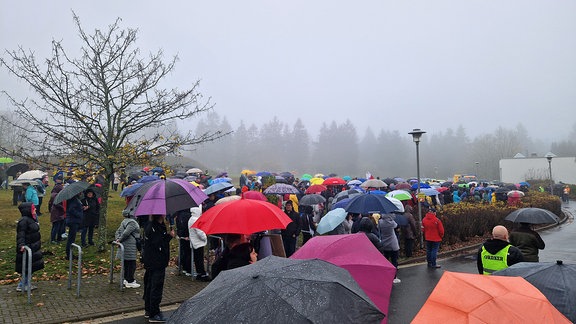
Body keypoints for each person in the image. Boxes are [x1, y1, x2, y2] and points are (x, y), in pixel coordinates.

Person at [142, 214, 174, 322]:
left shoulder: (158, 226)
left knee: (150, 284)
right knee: (155, 286)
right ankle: (154, 312)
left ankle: (149, 309)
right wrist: (169, 236)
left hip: (154, 261)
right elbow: (158, 243)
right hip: (156, 262)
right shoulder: (153, 227)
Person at [15, 202, 44, 292]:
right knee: (27, 268)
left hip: (33, 247)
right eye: (33, 208)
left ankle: (26, 283)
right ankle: (22, 285)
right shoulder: (24, 221)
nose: (35, 209)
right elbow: (21, 234)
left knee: (30, 267)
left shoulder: (32, 219)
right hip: (28, 247)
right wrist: (21, 245)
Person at [115, 210, 141, 288]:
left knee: (126, 263)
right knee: (131, 263)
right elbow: (126, 233)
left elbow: (117, 232)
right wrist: (119, 240)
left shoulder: (124, 221)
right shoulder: (132, 222)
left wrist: (118, 239)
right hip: (130, 246)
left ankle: (126, 279)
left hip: (125, 245)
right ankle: (130, 280)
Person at [187, 207, 211, 281]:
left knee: (197, 259)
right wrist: (205, 237)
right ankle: (202, 274)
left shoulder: (191, 219)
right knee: (199, 259)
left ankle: (199, 273)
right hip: (198, 242)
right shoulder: (195, 220)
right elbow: (199, 232)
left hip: (194, 242)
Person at [378, 213, 401, 284]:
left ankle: (386, 276)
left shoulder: (380, 222)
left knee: (386, 260)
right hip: (393, 244)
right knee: (394, 261)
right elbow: (397, 226)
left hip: (384, 243)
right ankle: (394, 277)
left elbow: (378, 230)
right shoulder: (391, 222)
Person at [421, 203, 444, 269]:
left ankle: (429, 262)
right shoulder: (437, 220)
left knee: (428, 250)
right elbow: (441, 230)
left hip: (428, 237)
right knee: (434, 250)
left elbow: (422, 229)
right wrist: (441, 236)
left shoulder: (424, 220)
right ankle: (433, 264)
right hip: (436, 238)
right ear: (434, 213)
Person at [174, 208, 193, 276]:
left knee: (183, 251)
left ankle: (184, 267)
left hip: (181, 235)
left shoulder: (178, 214)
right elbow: (186, 226)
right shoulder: (187, 215)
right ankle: (188, 269)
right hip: (186, 236)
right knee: (188, 253)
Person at [65, 193, 84, 260]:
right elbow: (71, 209)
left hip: (74, 220)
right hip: (73, 221)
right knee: (71, 238)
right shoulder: (73, 200)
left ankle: (70, 253)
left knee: (72, 237)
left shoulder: (76, 199)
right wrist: (79, 214)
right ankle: (69, 254)